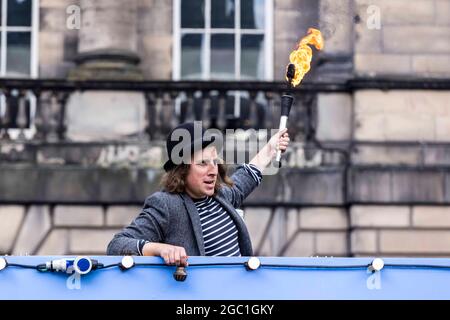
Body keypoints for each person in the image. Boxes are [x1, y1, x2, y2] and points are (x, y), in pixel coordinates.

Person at [107, 122, 290, 267]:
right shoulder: (165, 205)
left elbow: (246, 176)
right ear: (182, 170)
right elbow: (116, 246)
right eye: (203, 163)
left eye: (214, 161)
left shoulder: (221, 196)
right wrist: (159, 249)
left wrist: (271, 148)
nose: (213, 171)